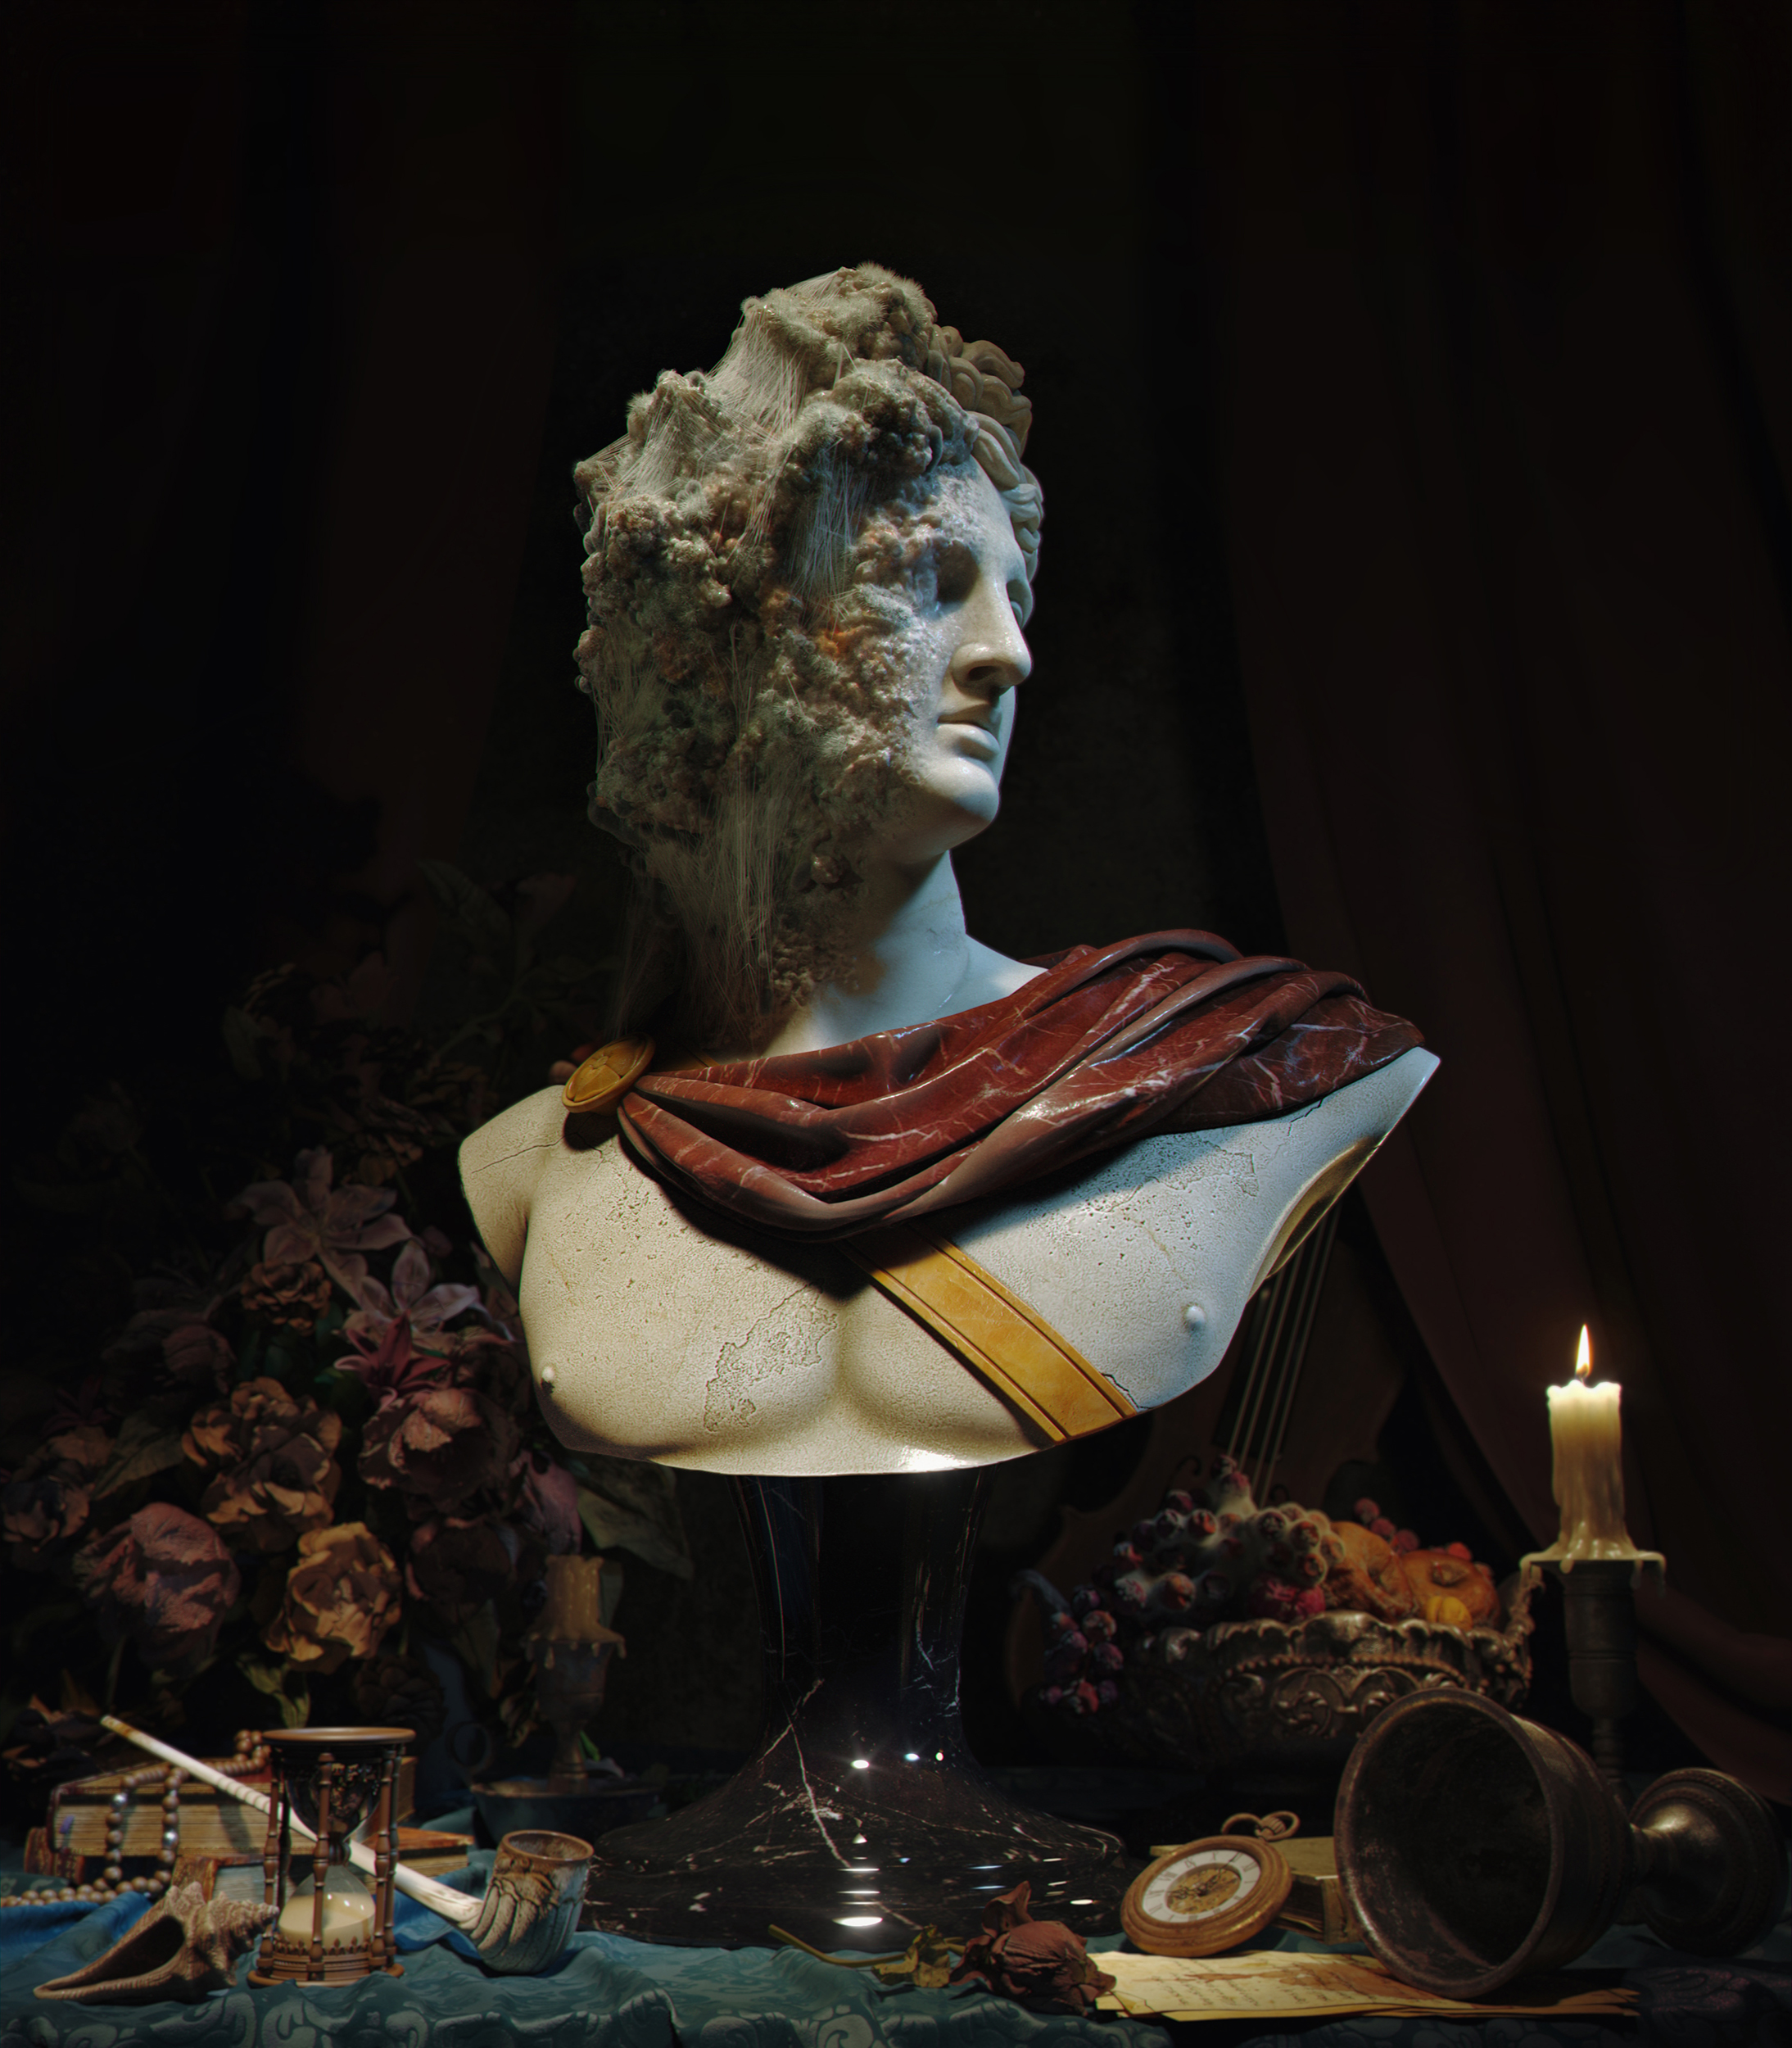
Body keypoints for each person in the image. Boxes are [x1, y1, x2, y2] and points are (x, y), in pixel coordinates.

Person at [461, 265, 1436, 1477]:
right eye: (931, 582)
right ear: (739, 636)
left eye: (1015, 596)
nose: (1008, 655)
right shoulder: (541, 1160)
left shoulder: (1232, 1069)